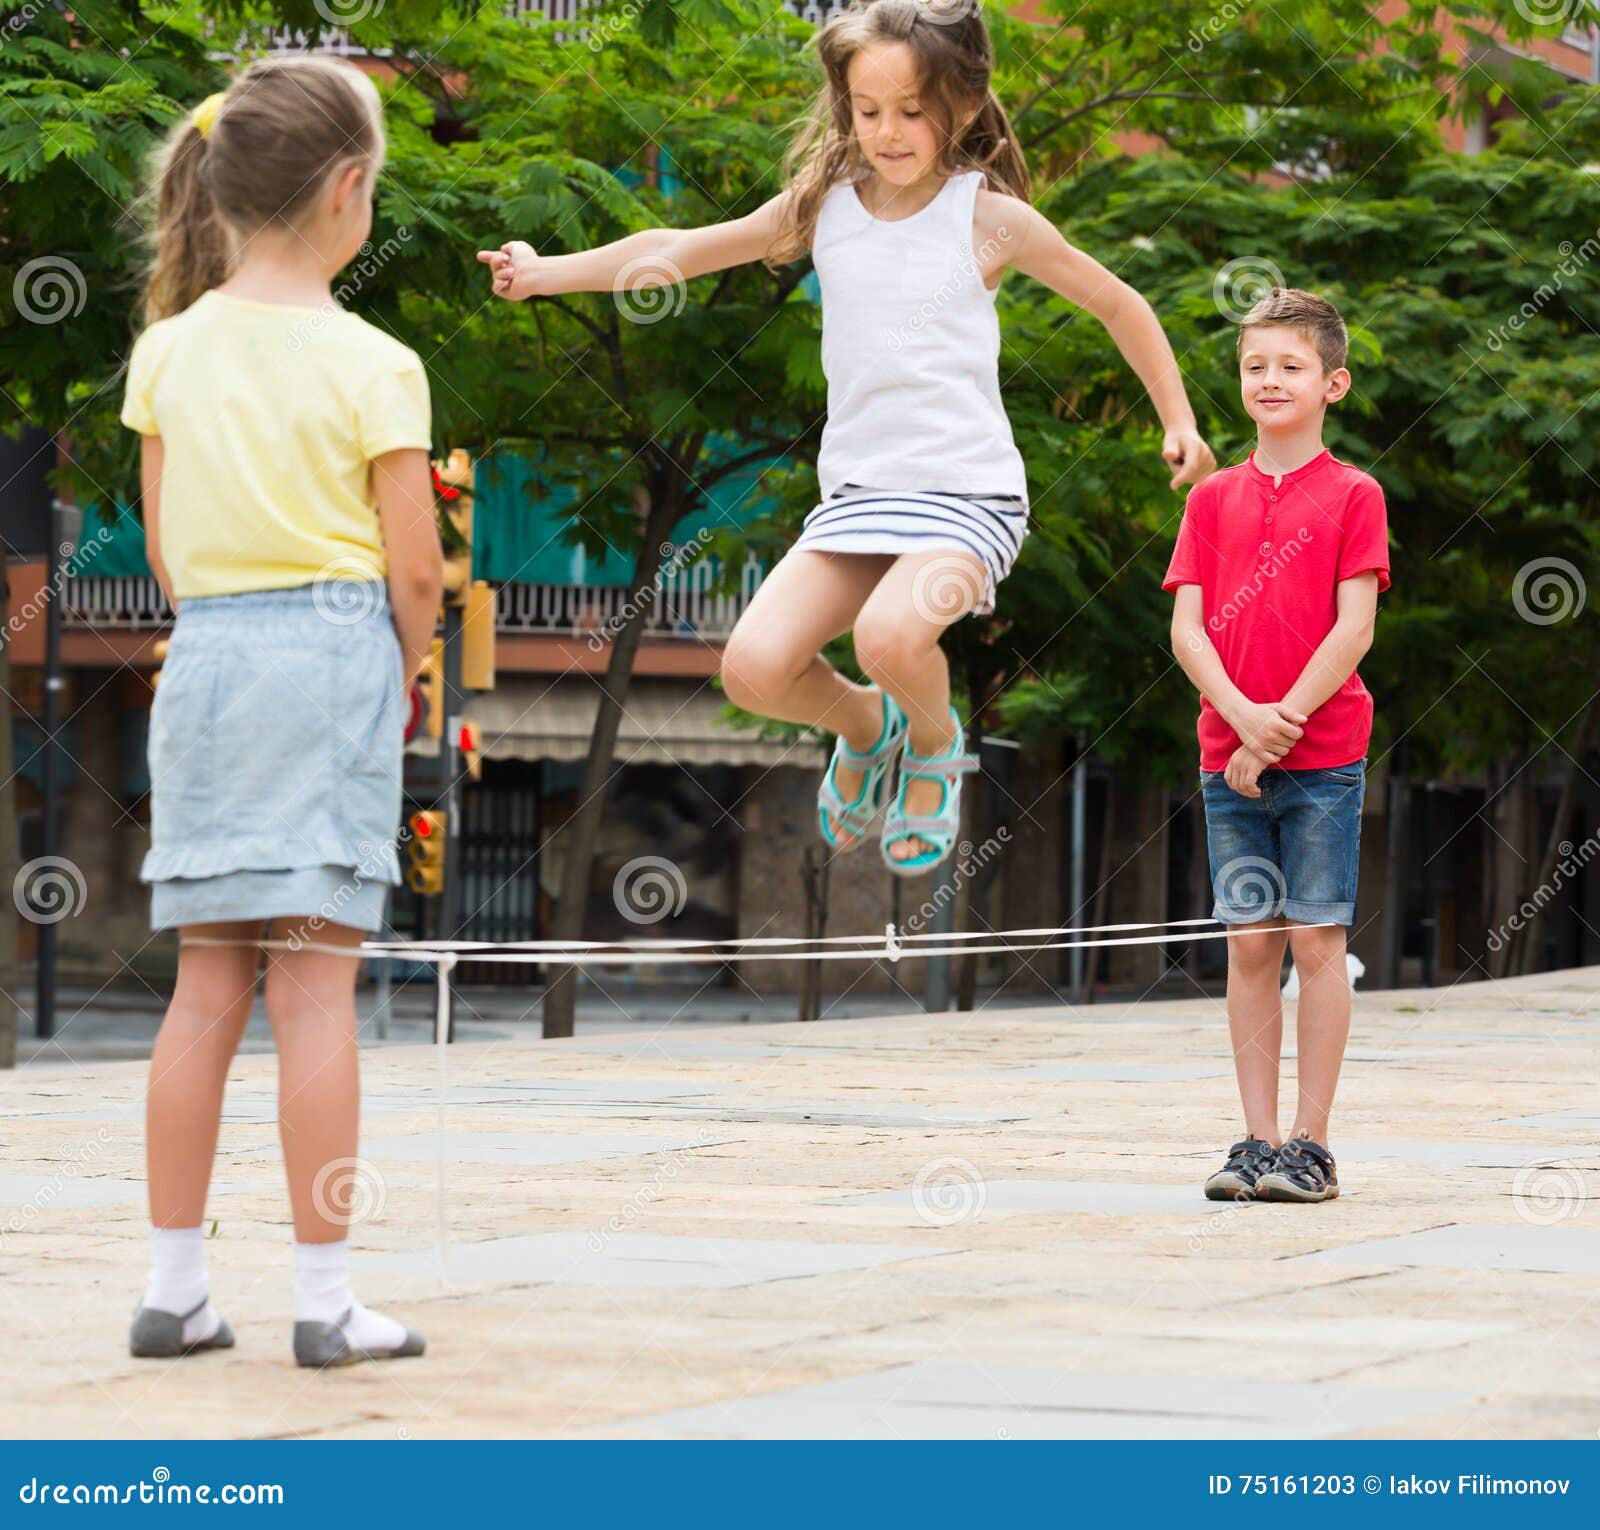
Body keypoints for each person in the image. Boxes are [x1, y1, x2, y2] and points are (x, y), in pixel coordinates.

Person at [479, 0, 1213, 875]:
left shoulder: (988, 218)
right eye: (868, 112)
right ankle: (867, 724)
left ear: (966, 107)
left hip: (967, 497)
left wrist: (1180, 421)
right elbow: (679, 246)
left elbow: (1119, 304)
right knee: (752, 669)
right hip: (862, 497)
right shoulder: (824, 209)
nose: (887, 132)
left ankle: (936, 747)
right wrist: (544, 273)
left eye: (911, 112)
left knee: (890, 636)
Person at [120, 57, 442, 1365]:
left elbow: (160, 545)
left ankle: (173, 1287)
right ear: (349, 192)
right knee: (314, 989)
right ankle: (324, 1301)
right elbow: (414, 565)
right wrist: (402, 674)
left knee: (206, 980)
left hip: (206, 660)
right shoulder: (376, 362)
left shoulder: (165, 350)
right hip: (327, 655)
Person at [1165, 287, 1390, 1204]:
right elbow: (1187, 631)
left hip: (1325, 758)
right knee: (1250, 947)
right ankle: (1255, 1142)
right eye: (1256, 364)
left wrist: (1280, 723)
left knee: (1317, 943)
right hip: (1228, 760)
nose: (1270, 379)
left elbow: (1355, 630)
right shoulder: (1212, 499)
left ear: (1331, 382)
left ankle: (1312, 1145)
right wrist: (1241, 723)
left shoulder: (1355, 494)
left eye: (1291, 365)